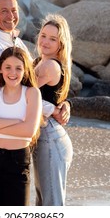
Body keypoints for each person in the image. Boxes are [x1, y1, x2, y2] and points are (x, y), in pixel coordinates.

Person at [0, 0, 70, 125]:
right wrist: (53, 110)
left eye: (14, 10)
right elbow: (12, 92)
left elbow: (34, 83)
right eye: (4, 11)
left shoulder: (18, 43)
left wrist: (65, 103)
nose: (11, 16)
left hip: (31, 124)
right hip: (8, 122)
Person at [0, 47, 42, 206]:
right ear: (0, 69)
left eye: (18, 68)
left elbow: (29, 130)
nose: (13, 72)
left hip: (18, 161)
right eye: (8, 67)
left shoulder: (32, 93)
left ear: (25, 70)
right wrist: (16, 122)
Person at [32, 14, 74, 206]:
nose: (45, 41)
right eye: (43, 35)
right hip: (45, 137)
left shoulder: (49, 65)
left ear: (61, 44)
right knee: (44, 202)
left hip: (50, 139)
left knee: (52, 206)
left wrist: (57, 108)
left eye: (53, 38)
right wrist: (61, 106)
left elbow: (23, 96)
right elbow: (55, 98)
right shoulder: (37, 62)